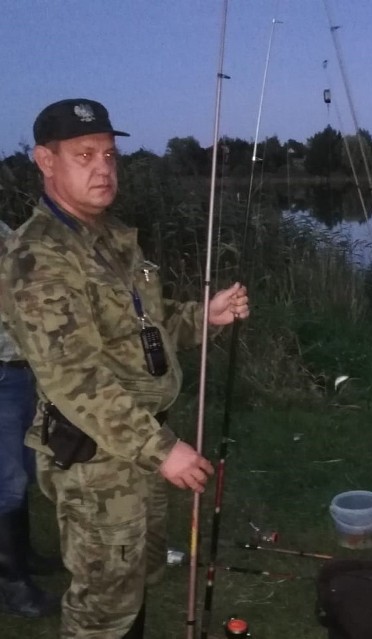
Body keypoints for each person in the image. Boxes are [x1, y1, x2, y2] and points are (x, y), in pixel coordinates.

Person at [0, 98, 250, 638]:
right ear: (46, 161)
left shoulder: (111, 238)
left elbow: (146, 333)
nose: (103, 168)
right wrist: (164, 450)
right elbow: (73, 376)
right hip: (99, 463)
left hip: (137, 442)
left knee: (134, 580)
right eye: (84, 154)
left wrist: (203, 317)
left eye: (110, 154)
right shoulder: (38, 256)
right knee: (101, 609)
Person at [0, 220, 62, 619]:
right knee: (6, 480)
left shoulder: (5, 230)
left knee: (22, 468)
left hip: (20, 368)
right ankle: (12, 584)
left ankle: (24, 556)